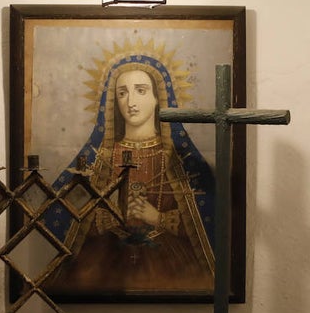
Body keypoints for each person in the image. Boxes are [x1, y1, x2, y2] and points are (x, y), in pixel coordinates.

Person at [45, 55, 216, 297]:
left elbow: (209, 218)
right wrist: (106, 218)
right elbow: (59, 211)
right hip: (105, 259)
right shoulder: (101, 158)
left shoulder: (179, 160)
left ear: (159, 98)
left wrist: (159, 218)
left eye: (141, 91)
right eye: (123, 93)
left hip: (171, 261)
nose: (131, 101)